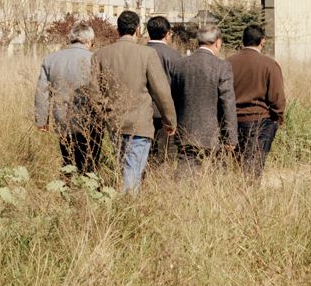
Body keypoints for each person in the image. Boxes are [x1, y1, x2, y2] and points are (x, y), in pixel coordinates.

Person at [90, 10, 177, 193]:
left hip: (114, 123)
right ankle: (127, 209)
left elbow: (94, 93)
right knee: (132, 173)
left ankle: (121, 205)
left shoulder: (100, 55)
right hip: (140, 125)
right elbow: (161, 91)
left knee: (123, 168)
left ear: (117, 30)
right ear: (138, 30)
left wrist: (105, 115)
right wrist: (170, 120)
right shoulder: (147, 54)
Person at [34, 21, 100, 175]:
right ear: (89, 41)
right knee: (90, 160)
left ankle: (68, 187)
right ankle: (88, 188)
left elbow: (42, 91)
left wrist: (42, 120)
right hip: (90, 118)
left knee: (68, 157)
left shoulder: (51, 59)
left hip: (61, 117)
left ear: (71, 38)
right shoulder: (95, 59)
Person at [171, 25, 238, 173]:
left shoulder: (180, 65)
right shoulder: (222, 66)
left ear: (197, 42)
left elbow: (173, 98)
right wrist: (231, 137)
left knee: (185, 177)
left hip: (185, 131)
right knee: (216, 179)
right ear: (218, 43)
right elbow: (227, 103)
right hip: (214, 134)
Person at [227, 24, 286, 177]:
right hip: (261, 121)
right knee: (255, 164)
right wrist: (278, 117)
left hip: (232, 121)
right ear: (262, 41)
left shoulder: (227, 63)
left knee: (236, 164)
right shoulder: (269, 65)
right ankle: (252, 193)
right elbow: (277, 98)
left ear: (243, 41)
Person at [145, 15, 182, 165]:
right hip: (166, 112)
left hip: (144, 110)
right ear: (167, 34)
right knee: (165, 152)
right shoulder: (173, 55)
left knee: (147, 152)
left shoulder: (141, 51)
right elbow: (178, 84)